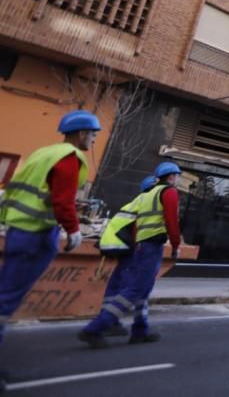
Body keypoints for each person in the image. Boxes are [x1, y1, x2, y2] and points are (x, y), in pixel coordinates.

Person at [0, 110, 101, 347]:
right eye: (93, 135)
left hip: (18, 230)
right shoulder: (69, 157)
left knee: (5, 290)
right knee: (7, 299)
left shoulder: (43, 153)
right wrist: (73, 230)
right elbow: (62, 200)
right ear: (81, 133)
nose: (94, 140)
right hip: (36, 235)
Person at [78, 162, 182, 348]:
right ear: (172, 177)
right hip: (151, 245)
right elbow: (171, 220)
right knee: (135, 289)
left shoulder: (147, 195)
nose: (178, 179)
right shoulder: (169, 192)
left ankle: (140, 330)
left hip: (141, 244)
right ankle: (96, 328)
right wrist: (175, 244)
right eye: (177, 176)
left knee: (143, 288)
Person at [94, 174, 159, 339]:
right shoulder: (148, 203)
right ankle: (108, 323)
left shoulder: (134, 201)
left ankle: (126, 324)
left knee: (118, 285)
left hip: (120, 247)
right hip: (133, 250)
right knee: (135, 288)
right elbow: (138, 227)